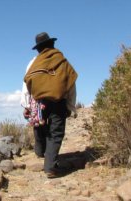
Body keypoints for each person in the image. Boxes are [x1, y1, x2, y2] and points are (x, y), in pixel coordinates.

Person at [20, 32, 78, 178]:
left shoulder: (33, 63)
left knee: (40, 126)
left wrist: (27, 105)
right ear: (52, 44)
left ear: (38, 48)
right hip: (59, 101)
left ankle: (40, 152)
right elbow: (70, 84)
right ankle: (50, 167)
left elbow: (26, 85)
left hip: (38, 102)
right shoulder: (62, 61)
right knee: (56, 132)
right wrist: (71, 106)